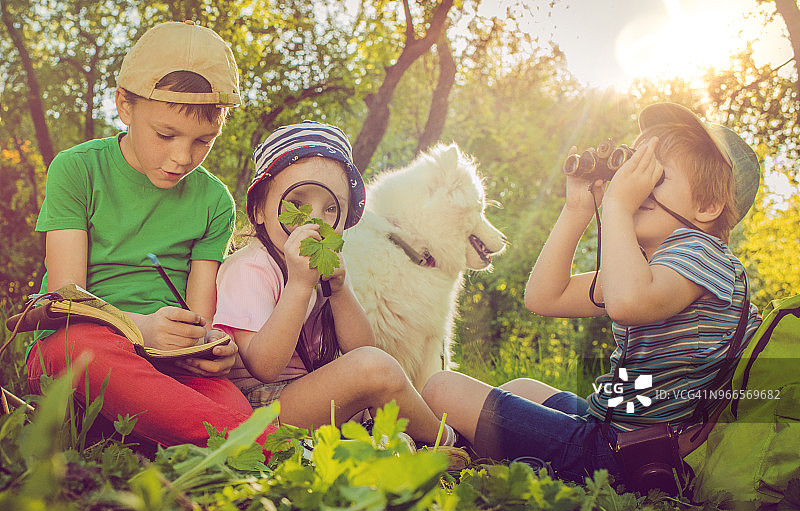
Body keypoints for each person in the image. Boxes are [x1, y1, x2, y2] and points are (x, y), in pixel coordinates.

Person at [421, 102, 763, 483]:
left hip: (632, 454)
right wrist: (576, 209)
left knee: (443, 388)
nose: (635, 184)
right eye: (634, 168)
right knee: (520, 388)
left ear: (708, 206)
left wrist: (617, 204)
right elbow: (544, 297)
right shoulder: (649, 267)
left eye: (656, 175)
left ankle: (455, 450)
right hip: (610, 425)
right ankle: (477, 444)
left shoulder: (702, 254)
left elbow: (627, 302)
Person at [27, 21, 275, 449]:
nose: (181, 158)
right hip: (78, 344)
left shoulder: (214, 201)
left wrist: (209, 345)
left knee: (231, 403)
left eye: (203, 141)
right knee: (83, 350)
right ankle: (267, 446)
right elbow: (65, 300)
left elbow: (199, 318)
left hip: (169, 363)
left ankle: (190, 433)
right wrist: (140, 328)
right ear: (125, 106)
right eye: (165, 135)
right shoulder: (77, 169)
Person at [213, 121, 459, 449]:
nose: (316, 222)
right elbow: (265, 366)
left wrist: (341, 291)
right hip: (259, 408)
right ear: (259, 209)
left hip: (307, 394)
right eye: (297, 204)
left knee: (374, 375)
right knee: (374, 370)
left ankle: (395, 442)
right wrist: (299, 286)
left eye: (331, 208)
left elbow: (362, 347)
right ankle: (449, 441)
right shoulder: (250, 268)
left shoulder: (325, 264)